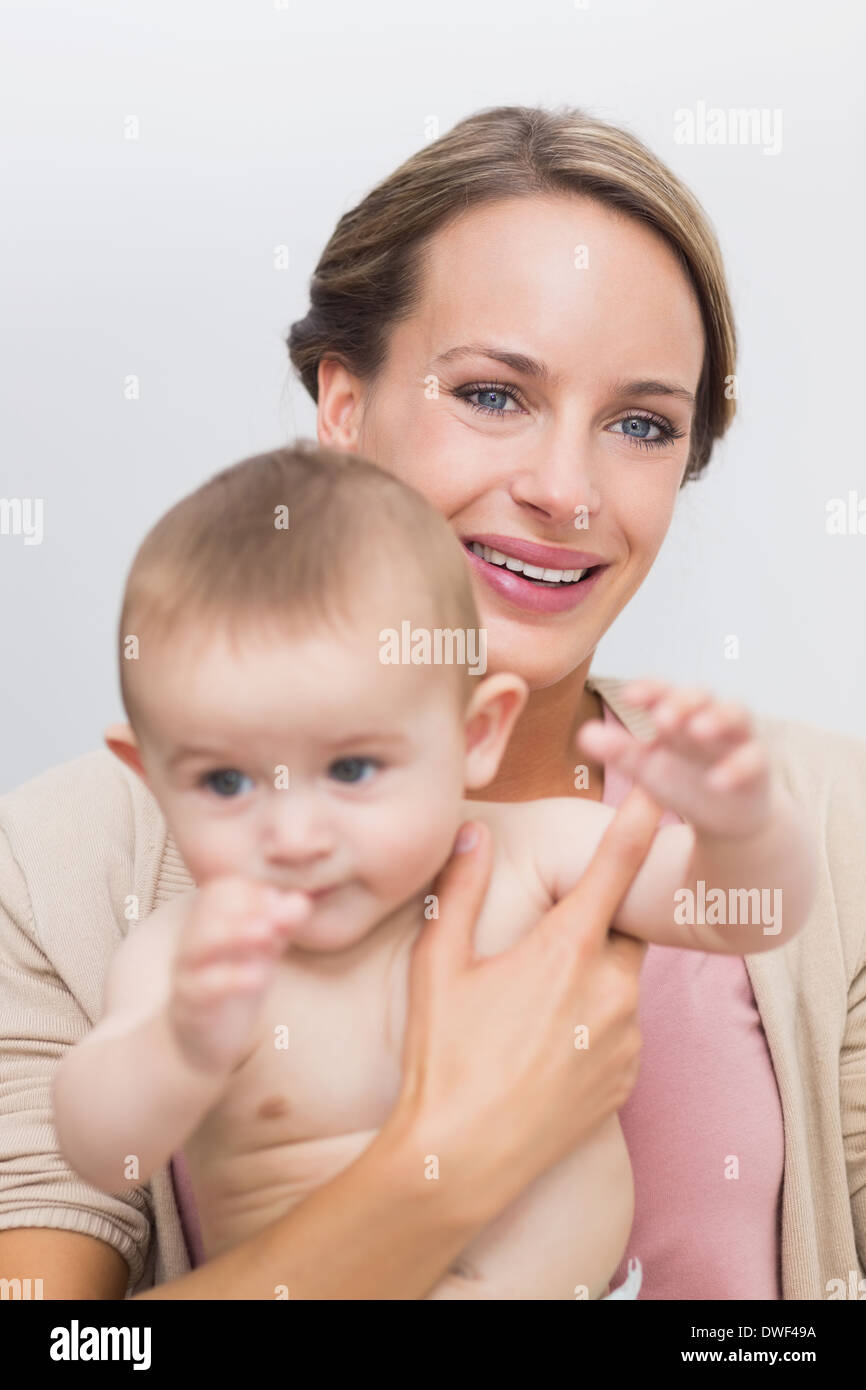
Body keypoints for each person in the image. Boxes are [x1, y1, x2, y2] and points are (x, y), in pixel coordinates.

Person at [1, 105, 864, 1300]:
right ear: (343, 407)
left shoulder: (812, 821)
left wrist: (736, 810)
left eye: (638, 424)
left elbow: (751, 896)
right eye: (493, 396)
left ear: (479, 733)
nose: (562, 491)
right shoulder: (70, 876)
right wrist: (436, 1170)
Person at [51, 444, 814, 1302]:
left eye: (352, 771)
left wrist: (745, 824)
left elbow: (741, 912)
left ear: (476, 735)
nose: (296, 834)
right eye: (225, 783)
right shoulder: (184, 956)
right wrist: (176, 1047)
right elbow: (96, 1142)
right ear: (150, 774)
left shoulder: (534, 851)